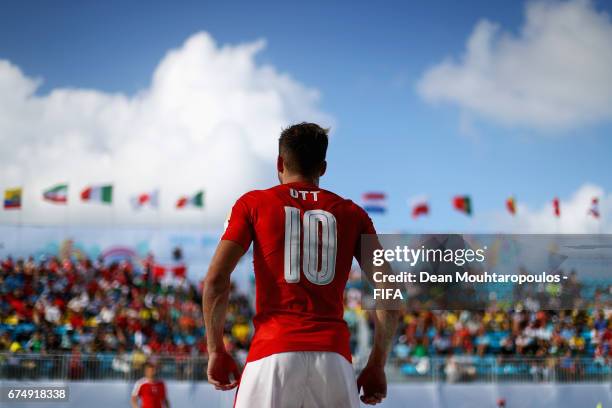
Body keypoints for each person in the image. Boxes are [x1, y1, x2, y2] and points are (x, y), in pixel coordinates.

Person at [203, 123, 398, 407]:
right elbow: (389, 288)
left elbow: (215, 281)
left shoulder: (253, 204)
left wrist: (215, 350)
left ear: (280, 162)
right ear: (323, 167)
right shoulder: (353, 214)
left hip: (272, 354)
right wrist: (377, 363)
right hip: (333, 358)